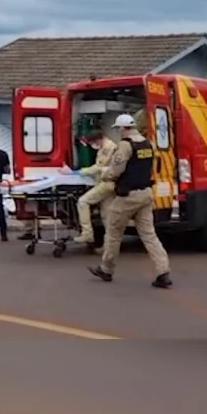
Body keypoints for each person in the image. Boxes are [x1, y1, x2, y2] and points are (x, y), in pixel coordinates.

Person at [88, 114, 172, 288]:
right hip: (146, 194)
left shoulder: (126, 145)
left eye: (118, 128)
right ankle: (163, 271)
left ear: (124, 128)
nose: (118, 131)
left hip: (128, 196)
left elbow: (116, 170)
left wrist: (104, 174)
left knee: (113, 232)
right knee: (149, 235)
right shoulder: (148, 144)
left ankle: (106, 269)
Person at [72, 126, 120, 246]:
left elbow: (98, 167)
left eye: (92, 143)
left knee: (83, 202)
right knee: (107, 217)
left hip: (107, 183)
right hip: (108, 183)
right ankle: (110, 246)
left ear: (98, 140)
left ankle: (87, 233)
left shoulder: (108, 148)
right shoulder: (106, 147)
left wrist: (81, 172)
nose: (92, 145)